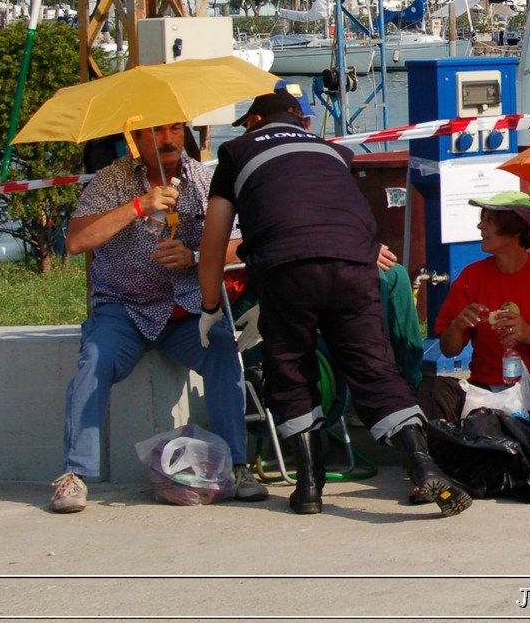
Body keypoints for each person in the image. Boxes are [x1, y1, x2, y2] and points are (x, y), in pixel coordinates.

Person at [196, 89, 471, 517]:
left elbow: (213, 248)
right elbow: (345, 215)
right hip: (352, 265)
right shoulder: (332, 153)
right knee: (373, 367)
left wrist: (211, 307)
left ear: (253, 122)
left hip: (285, 271)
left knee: (289, 368)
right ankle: (422, 464)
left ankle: (308, 487)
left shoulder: (235, 152)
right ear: (299, 122)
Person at [50, 121, 264, 514]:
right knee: (94, 360)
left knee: (223, 353)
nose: (168, 140)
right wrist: (139, 206)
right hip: (124, 307)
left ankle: (237, 465)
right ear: (136, 138)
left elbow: (241, 244)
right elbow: (77, 241)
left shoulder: (204, 179)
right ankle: (74, 475)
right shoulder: (113, 180)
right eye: (156, 132)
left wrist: (195, 257)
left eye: (174, 130)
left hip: (184, 308)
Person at [422, 191, 530, 424]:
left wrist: (529, 334)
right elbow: (449, 349)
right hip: (484, 389)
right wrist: (458, 325)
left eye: (490, 220)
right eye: (482, 218)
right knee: (432, 389)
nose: (480, 225)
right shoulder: (472, 276)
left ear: (516, 230)